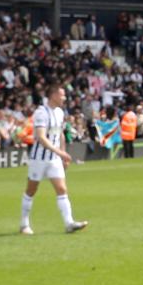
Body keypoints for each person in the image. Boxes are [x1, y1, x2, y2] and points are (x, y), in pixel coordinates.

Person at [17, 85, 88, 236]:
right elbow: (41, 137)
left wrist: (63, 153)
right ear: (53, 95)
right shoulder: (41, 112)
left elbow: (60, 134)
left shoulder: (60, 112)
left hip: (54, 159)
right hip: (39, 158)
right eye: (62, 95)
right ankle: (24, 224)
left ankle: (69, 223)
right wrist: (59, 152)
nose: (64, 98)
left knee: (62, 189)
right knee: (31, 190)